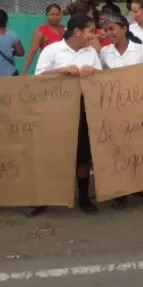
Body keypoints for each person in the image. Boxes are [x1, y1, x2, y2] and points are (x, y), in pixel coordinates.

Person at [33, 14, 103, 215]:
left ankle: (83, 198)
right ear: (78, 31)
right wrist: (61, 71)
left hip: (83, 109)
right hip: (55, 110)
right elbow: (38, 78)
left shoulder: (91, 53)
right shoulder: (52, 50)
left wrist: (93, 72)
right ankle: (44, 198)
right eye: (90, 31)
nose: (93, 35)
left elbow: (100, 80)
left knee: (82, 156)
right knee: (53, 154)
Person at [99, 13, 143, 209]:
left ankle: (137, 184)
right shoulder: (105, 52)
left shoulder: (139, 50)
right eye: (106, 30)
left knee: (136, 146)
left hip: (136, 106)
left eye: (112, 29)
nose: (108, 33)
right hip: (114, 108)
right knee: (118, 148)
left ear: (124, 29)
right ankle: (120, 191)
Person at [22, 4, 65, 75]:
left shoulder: (65, 29)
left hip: (64, 68)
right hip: (48, 68)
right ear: (46, 15)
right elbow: (32, 51)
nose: (55, 17)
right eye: (52, 14)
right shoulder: (41, 31)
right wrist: (24, 71)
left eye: (57, 15)